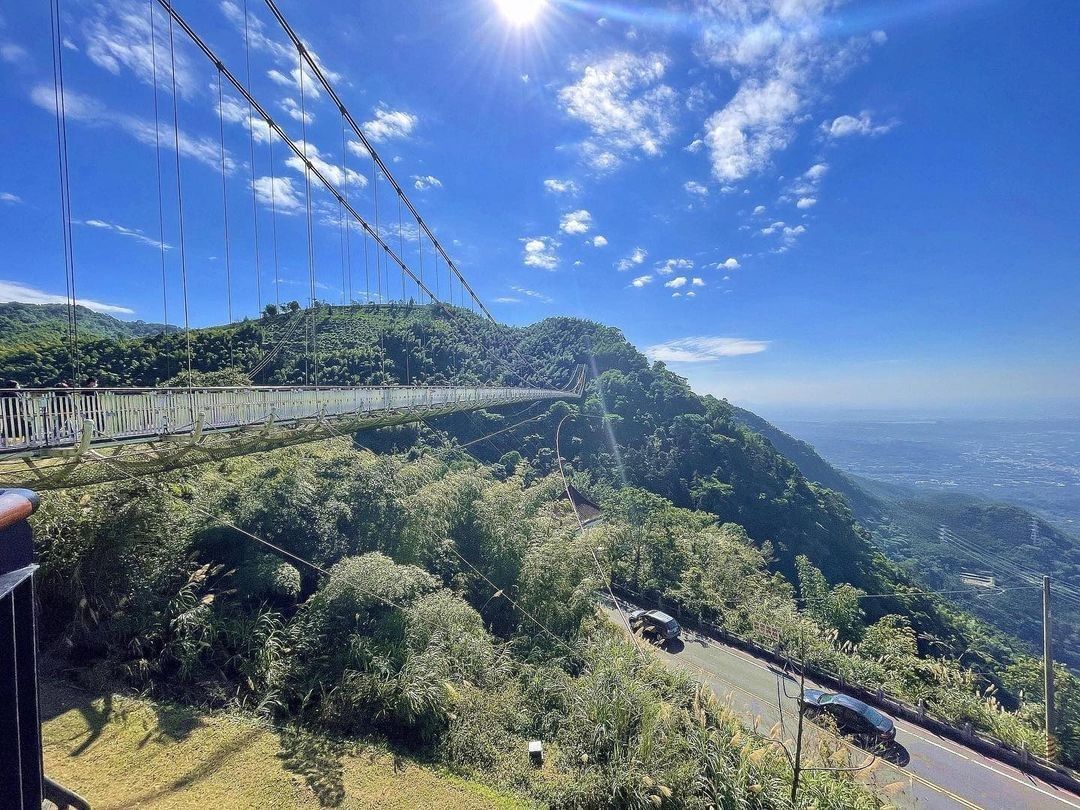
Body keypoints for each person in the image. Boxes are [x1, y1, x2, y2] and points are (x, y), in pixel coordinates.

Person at [1, 380, 25, 447]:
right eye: (17, 385)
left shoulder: (3, 393)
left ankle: (4, 444)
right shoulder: (15, 394)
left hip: (7, 413)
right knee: (24, 427)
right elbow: (20, 403)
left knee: (7, 428)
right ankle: (25, 442)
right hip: (17, 413)